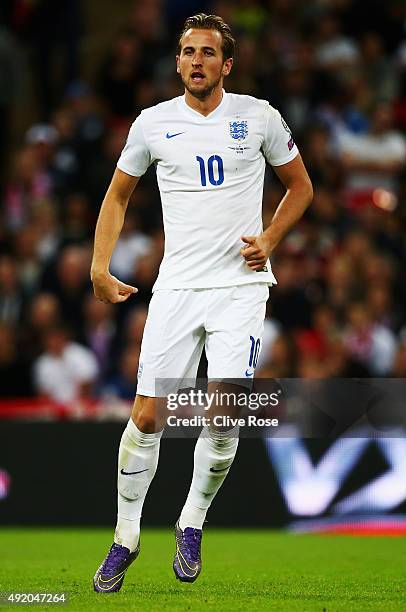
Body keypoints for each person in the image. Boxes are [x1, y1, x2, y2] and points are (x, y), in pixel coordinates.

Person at [91, 13, 312, 593]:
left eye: (207, 53)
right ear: (178, 62)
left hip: (240, 287)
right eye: (187, 51)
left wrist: (269, 238)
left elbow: (301, 186)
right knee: (146, 416)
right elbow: (116, 198)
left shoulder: (258, 116)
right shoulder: (153, 124)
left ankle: (191, 521)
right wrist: (98, 264)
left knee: (223, 410)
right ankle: (126, 536)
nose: (196, 61)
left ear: (227, 64)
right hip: (177, 288)